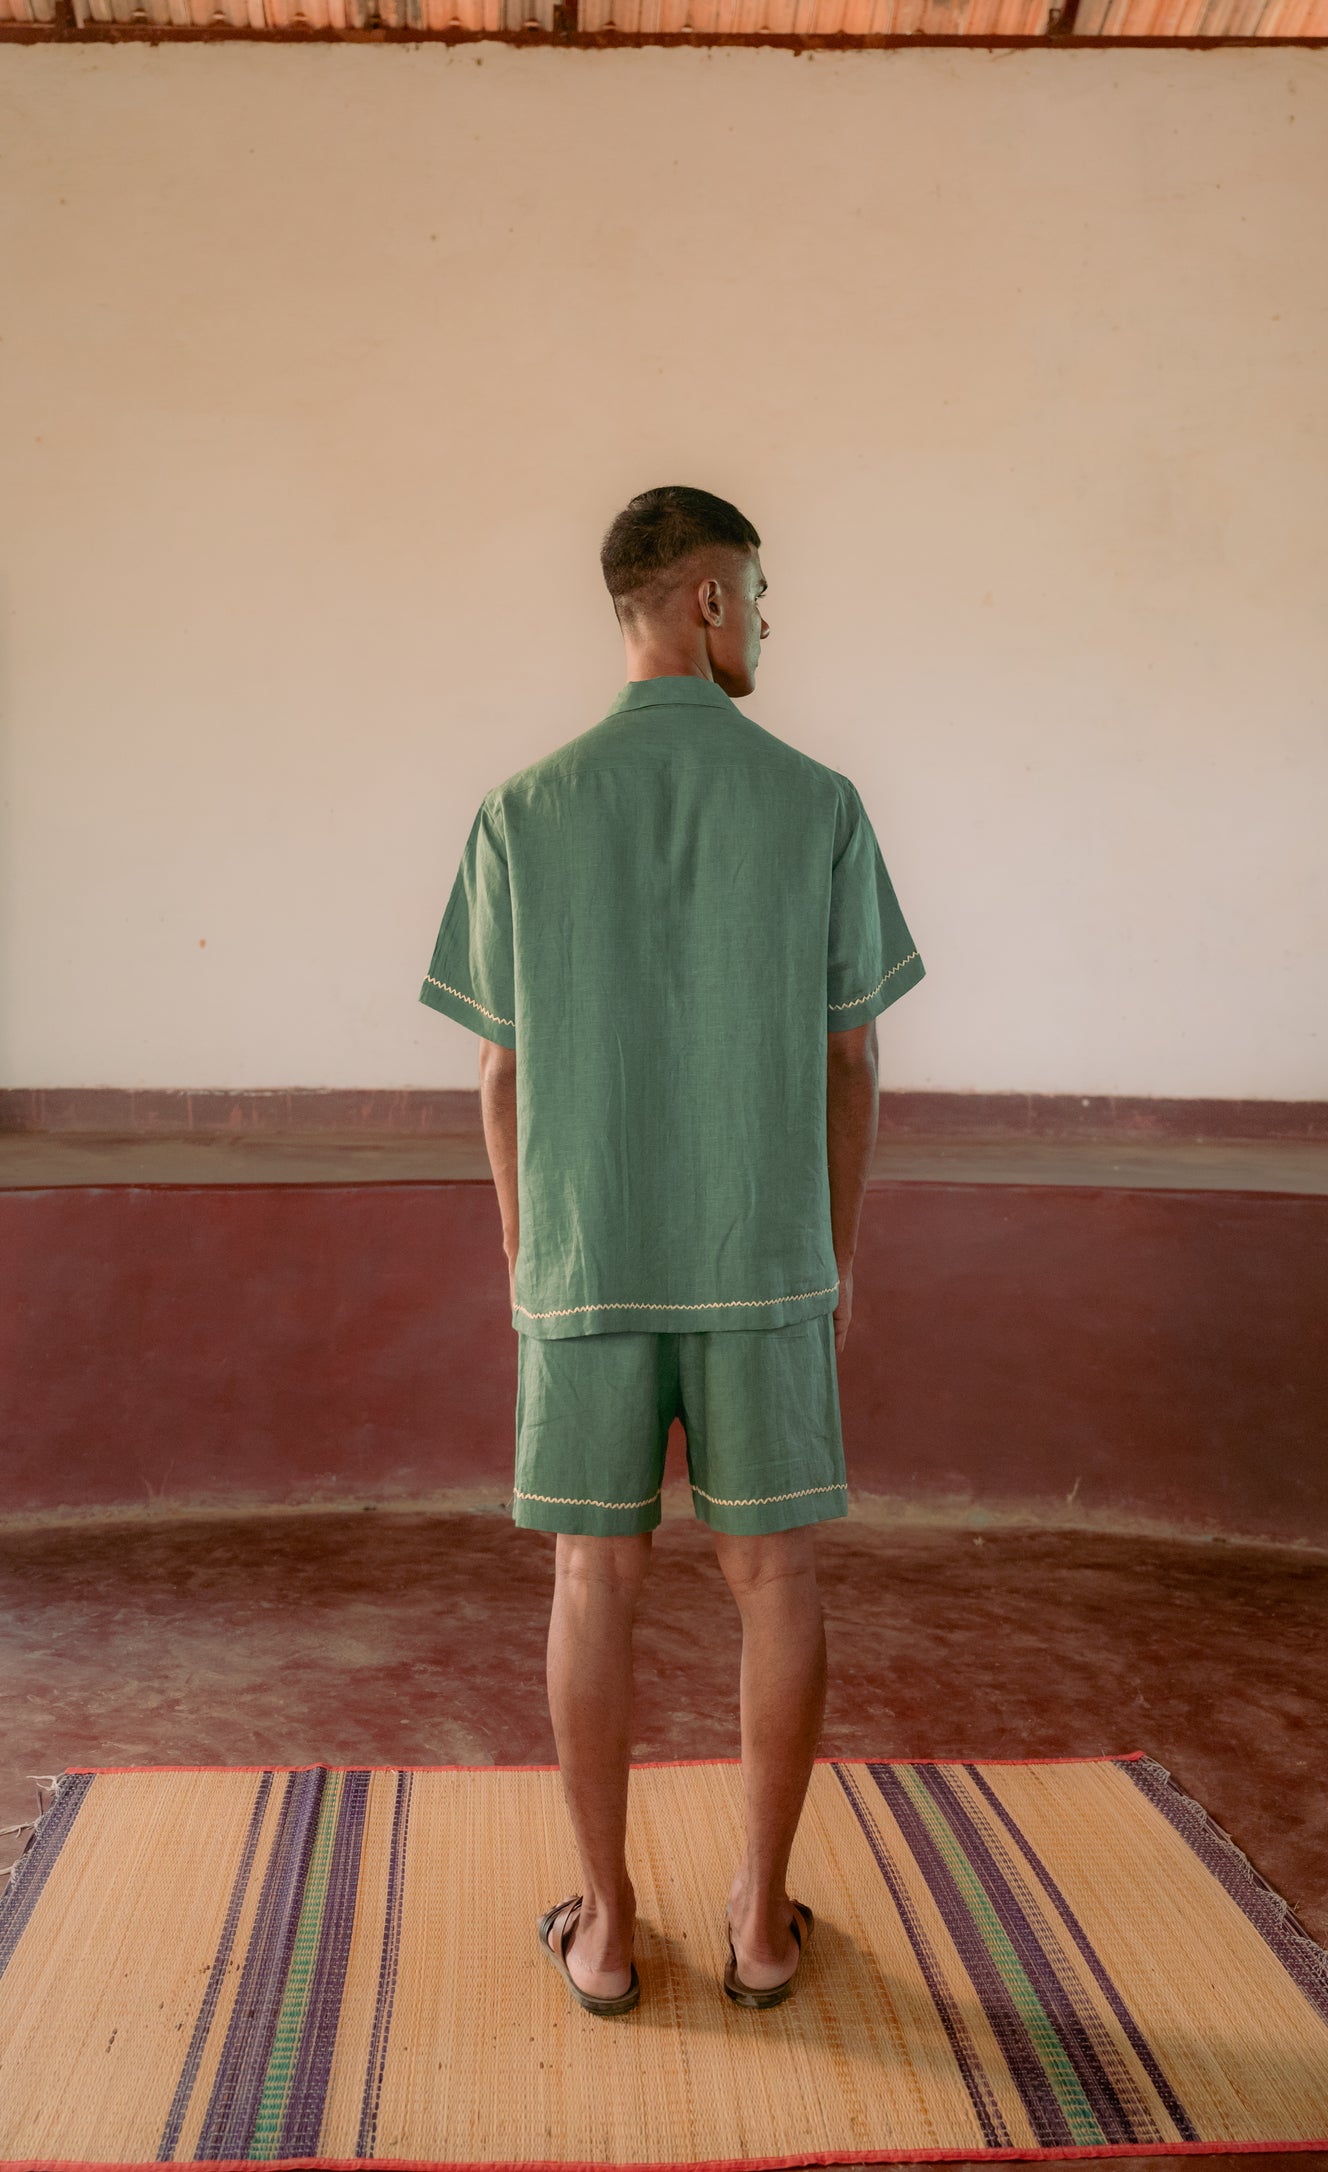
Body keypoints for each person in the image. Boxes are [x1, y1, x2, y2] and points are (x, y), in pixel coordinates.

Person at [419, 486, 924, 2019]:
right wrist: (830, 1255)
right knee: (774, 1581)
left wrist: (529, 1247)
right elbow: (849, 1060)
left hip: (584, 1256)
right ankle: (761, 1926)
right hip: (762, 1253)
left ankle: (609, 1931)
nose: (768, 621)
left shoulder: (522, 809)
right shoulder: (817, 803)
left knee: (594, 1578)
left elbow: (500, 1071)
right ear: (705, 600)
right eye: (759, 594)